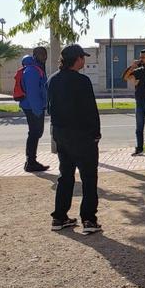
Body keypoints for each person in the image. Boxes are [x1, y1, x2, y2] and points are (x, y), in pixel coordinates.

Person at [48, 44, 102, 235]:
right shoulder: (82, 81)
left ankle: (59, 216)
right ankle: (88, 219)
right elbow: (90, 110)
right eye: (82, 58)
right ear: (77, 59)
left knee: (66, 176)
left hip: (62, 134)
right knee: (88, 177)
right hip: (83, 135)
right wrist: (96, 133)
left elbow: (50, 108)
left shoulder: (53, 80)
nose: (84, 61)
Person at [19, 46, 49, 172]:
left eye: (45, 54)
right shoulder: (32, 70)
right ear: (35, 55)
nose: (45, 57)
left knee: (35, 133)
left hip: (34, 106)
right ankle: (30, 162)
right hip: (32, 107)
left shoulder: (37, 68)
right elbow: (32, 93)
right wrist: (38, 109)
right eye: (41, 54)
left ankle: (30, 161)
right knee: (34, 133)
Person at [123, 49, 145, 156]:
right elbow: (125, 77)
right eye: (140, 57)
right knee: (139, 127)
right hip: (140, 102)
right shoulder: (139, 70)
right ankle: (139, 148)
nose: (141, 59)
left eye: (143, 57)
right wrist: (132, 67)